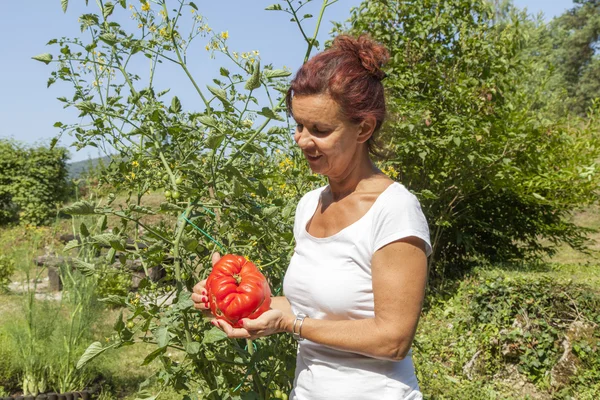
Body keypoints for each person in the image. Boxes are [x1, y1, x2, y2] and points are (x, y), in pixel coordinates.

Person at [192, 34, 431, 400]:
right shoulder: (309, 205)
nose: (302, 140)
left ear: (363, 128)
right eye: (299, 125)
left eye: (320, 130)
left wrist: (293, 325)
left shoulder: (394, 210)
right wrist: (230, 296)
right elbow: (304, 308)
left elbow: (393, 339)